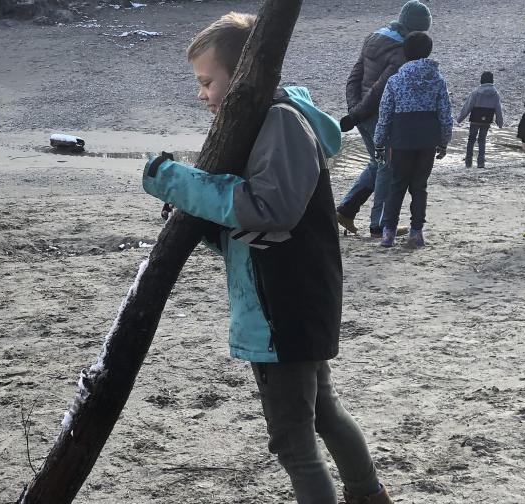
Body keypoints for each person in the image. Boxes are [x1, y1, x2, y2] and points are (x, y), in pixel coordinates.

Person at [141, 12, 392, 504]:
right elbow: (251, 238)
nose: (202, 95)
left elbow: (269, 210)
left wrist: (177, 181)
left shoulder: (279, 122)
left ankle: (367, 493)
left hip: (283, 312)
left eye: (207, 82)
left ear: (244, 77)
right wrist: (203, 216)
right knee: (323, 412)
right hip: (295, 304)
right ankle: (369, 494)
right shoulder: (271, 123)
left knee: (294, 441)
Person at [336, 0, 432, 237]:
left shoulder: (374, 37)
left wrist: (353, 109)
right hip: (379, 117)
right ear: (415, 29)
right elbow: (380, 89)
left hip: (362, 112)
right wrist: (357, 113)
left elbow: (354, 75)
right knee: (387, 167)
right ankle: (378, 224)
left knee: (376, 163)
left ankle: (347, 210)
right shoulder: (403, 52)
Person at [374, 32, 452, 248]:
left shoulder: (396, 80)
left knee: (397, 185)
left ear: (405, 53)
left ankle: (388, 233)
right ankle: (416, 233)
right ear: (429, 51)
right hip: (427, 141)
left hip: (401, 140)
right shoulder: (437, 80)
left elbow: (385, 114)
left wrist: (379, 142)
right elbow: (445, 114)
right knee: (419, 187)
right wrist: (444, 141)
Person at [457, 72, 504, 168]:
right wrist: (500, 122)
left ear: (481, 80)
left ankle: (468, 162)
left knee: (471, 140)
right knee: (482, 140)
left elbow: (468, 107)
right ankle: (481, 162)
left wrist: (459, 119)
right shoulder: (495, 94)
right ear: (492, 80)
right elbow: (498, 110)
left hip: (475, 119)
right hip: (487, 121)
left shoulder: (476, 92)